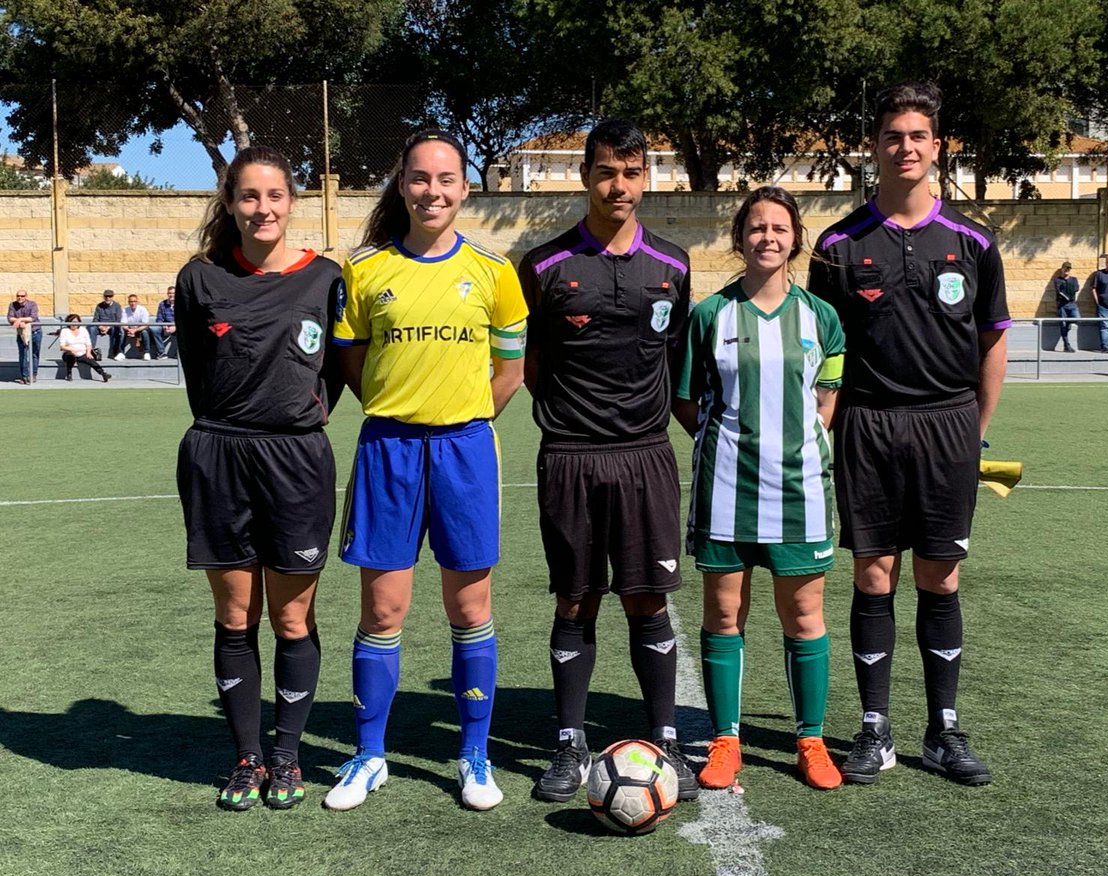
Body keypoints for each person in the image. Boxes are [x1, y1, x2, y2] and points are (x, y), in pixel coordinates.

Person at [808, 82, 1009, 787]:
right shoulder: (837, 245)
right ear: (875, 147)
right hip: (867, 424)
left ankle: (943, 730)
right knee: (872, 573)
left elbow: (991, 340)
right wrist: (828, 420)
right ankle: (874, 729)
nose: (906, 147)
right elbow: (822, 349)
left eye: (919, 136)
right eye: (893, 135)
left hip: (947, 423)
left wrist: (974, 428)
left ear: (937, 147)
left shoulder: (973, 241)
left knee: (941, 574)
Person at [326, 129, 527, 813]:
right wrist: (400, 409)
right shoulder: (365, 270)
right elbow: (351, 363)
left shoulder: (496, 273)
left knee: (470, 606)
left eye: (445, 179)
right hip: (388, 448)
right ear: (401, 184)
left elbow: (510, 373)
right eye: (419, 178)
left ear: (465, 188)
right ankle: (369, 753)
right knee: (382, 608)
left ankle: (474, 755)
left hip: (466, 447)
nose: (432, 191)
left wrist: (460, 414)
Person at [518, 118, 699, 803]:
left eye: (630, 172)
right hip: (570, 456)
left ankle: (665, 739)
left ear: (645, 177)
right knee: (576, 598)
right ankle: (568, 744)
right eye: (604, 171)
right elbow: (533, 366)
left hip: (646, 456)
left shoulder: (675, 265)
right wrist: (575, 419)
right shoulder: (543, 266)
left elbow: (678, 362)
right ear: (585, 174)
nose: (617, 185)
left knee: (647, 599)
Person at [174, 145, 344, 812]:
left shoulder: (326, 278)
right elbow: (197, 371)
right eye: (249, 196)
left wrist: (296, 415)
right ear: (230, 203)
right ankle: (247, 757)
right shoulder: (199, 280)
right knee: (235, 614)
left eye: (274, 195)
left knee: (292, 616)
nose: (262, 208)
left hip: (297, 461)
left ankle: (288, 755)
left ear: (292, 202)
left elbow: (333, 374)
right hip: (219, 456)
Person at [674, 187, 846, 791]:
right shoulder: (709, 315)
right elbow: (688, 402)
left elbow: (826, 404)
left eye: (779, 227)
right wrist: (732, 448)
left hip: (799, 494)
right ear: (739, 238)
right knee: (724, 615)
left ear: (795, 238)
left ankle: (811, 740)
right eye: (755, 228)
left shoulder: (821, 318)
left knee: (804, 616)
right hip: (725, 491)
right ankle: (725, 740)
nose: (767, 237)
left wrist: (790, 450)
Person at [59, 314, 111, 382]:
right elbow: (62, 346)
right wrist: (72, 349)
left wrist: (88, 352)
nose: (74, 324)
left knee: (91, 359)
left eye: (76, 322)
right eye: (72, 322)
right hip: (70, 352)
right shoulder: (64, 331)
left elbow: (88, 343)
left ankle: (103, 374)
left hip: (82, 353)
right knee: (70, 356)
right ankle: (69, 374)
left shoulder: (83, 330)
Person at [7, 289, 41, 384]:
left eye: (22, 296)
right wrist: (20, 321)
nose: (20, 298)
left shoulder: (32, 304)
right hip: (21, 333)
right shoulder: (12, 305)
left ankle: (33, 375)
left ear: (26, 297)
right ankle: (24, 376)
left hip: (35, 332)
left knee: (35, 354)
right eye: (18, 295)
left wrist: (20, 320)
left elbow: (33, 317)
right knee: (23, 355)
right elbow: (10, 318)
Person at [1052, 261, 1079, 352]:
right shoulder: (1057, 280)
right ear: (1062, 269)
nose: (1067, 270)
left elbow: (1075, 289)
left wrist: (1066, 289)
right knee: (1062, 325)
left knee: (1076, 318)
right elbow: (1059, 291)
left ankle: (1068, 324)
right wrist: (1066, 291)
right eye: (1065, 268)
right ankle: (1066, 345)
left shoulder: (1074, 279)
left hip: (1072, 304)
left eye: (1068, 268)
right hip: (1062, 305)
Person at [89, 289, 122, 360]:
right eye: (106, 296)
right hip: (100, 326)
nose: (108, 298)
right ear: (103, 297)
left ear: (113, 297)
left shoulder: (117, 306)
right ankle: (91, 350)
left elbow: (118, 320)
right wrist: (100, 326)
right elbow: (95, 319)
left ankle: (114, 352)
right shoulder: (99, 306)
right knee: (92, 328)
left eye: (110, 296)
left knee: (116, 329)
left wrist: (108, 328)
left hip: (111, 327)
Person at [146, 286, 177, 359]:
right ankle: (161, 352)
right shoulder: (162, 304)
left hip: (177, 326)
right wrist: (163, 326)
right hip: (165, 326)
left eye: (173, 293)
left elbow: (183, 319)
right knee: (154, 329)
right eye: (169, 293)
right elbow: (159, 318)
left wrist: (175, 327)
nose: (171, 295)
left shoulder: (181, 304)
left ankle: (178, 353)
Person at [116, 294, 150, 360]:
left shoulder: (142, 309)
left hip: (140, 329)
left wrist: (135, 330)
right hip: (129, 329)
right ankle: (121, 353)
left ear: (137, 302)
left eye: (134, 301)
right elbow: (123, 323)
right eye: (131, 301)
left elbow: (146, 324)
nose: (133, 303)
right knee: (121, 331)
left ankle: (147, 353)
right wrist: (129, 329)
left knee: (145, 332)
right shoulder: (125, 310)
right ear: (128, 302)